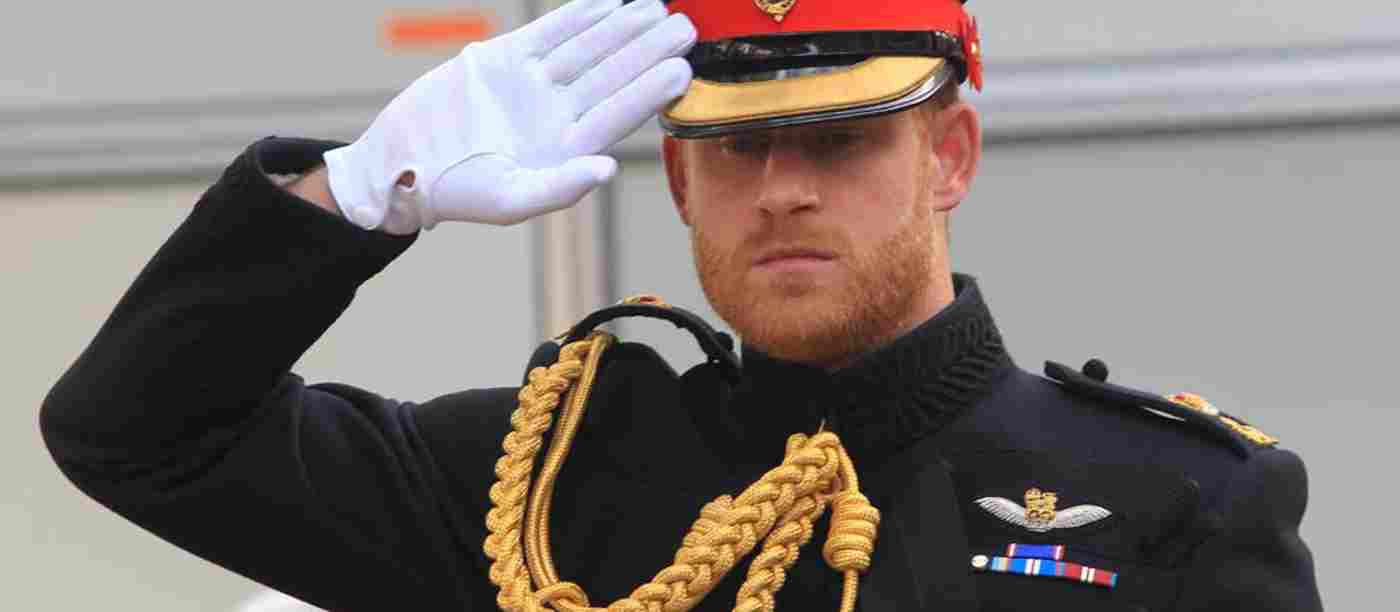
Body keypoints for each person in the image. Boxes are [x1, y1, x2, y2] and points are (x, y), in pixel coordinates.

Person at [41, 0, 1323, 610]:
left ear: (950, 160)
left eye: (837, 144)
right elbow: (137, 435)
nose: (779, 193)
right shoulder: (532, 479)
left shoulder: (1171, 503)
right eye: (733, 152)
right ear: (677, 178)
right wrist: (356, 198)